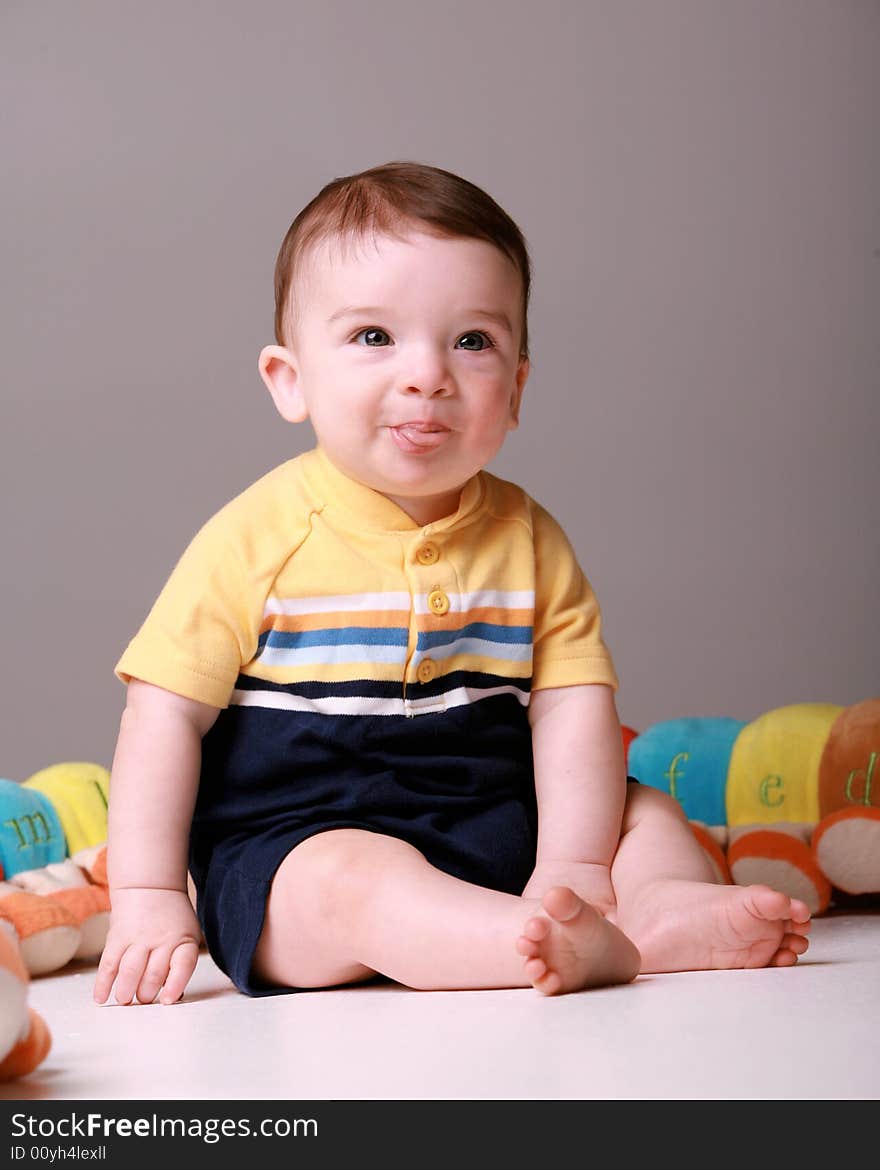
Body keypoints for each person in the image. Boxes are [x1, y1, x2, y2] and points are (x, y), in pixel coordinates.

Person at [94, 161, 811, 1006]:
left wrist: (575, 869)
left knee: (640, 812)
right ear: (291, 380)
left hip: (500, 821)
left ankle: (645, 912)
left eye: (473, 341)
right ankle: (526, 943)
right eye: (373, 338)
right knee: (354, 881)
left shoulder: (528, 538)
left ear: (515, 390)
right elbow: (163, 712)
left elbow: (572, 705)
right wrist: (146, 898)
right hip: (295, 842)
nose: (427, 373)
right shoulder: (254, 539)